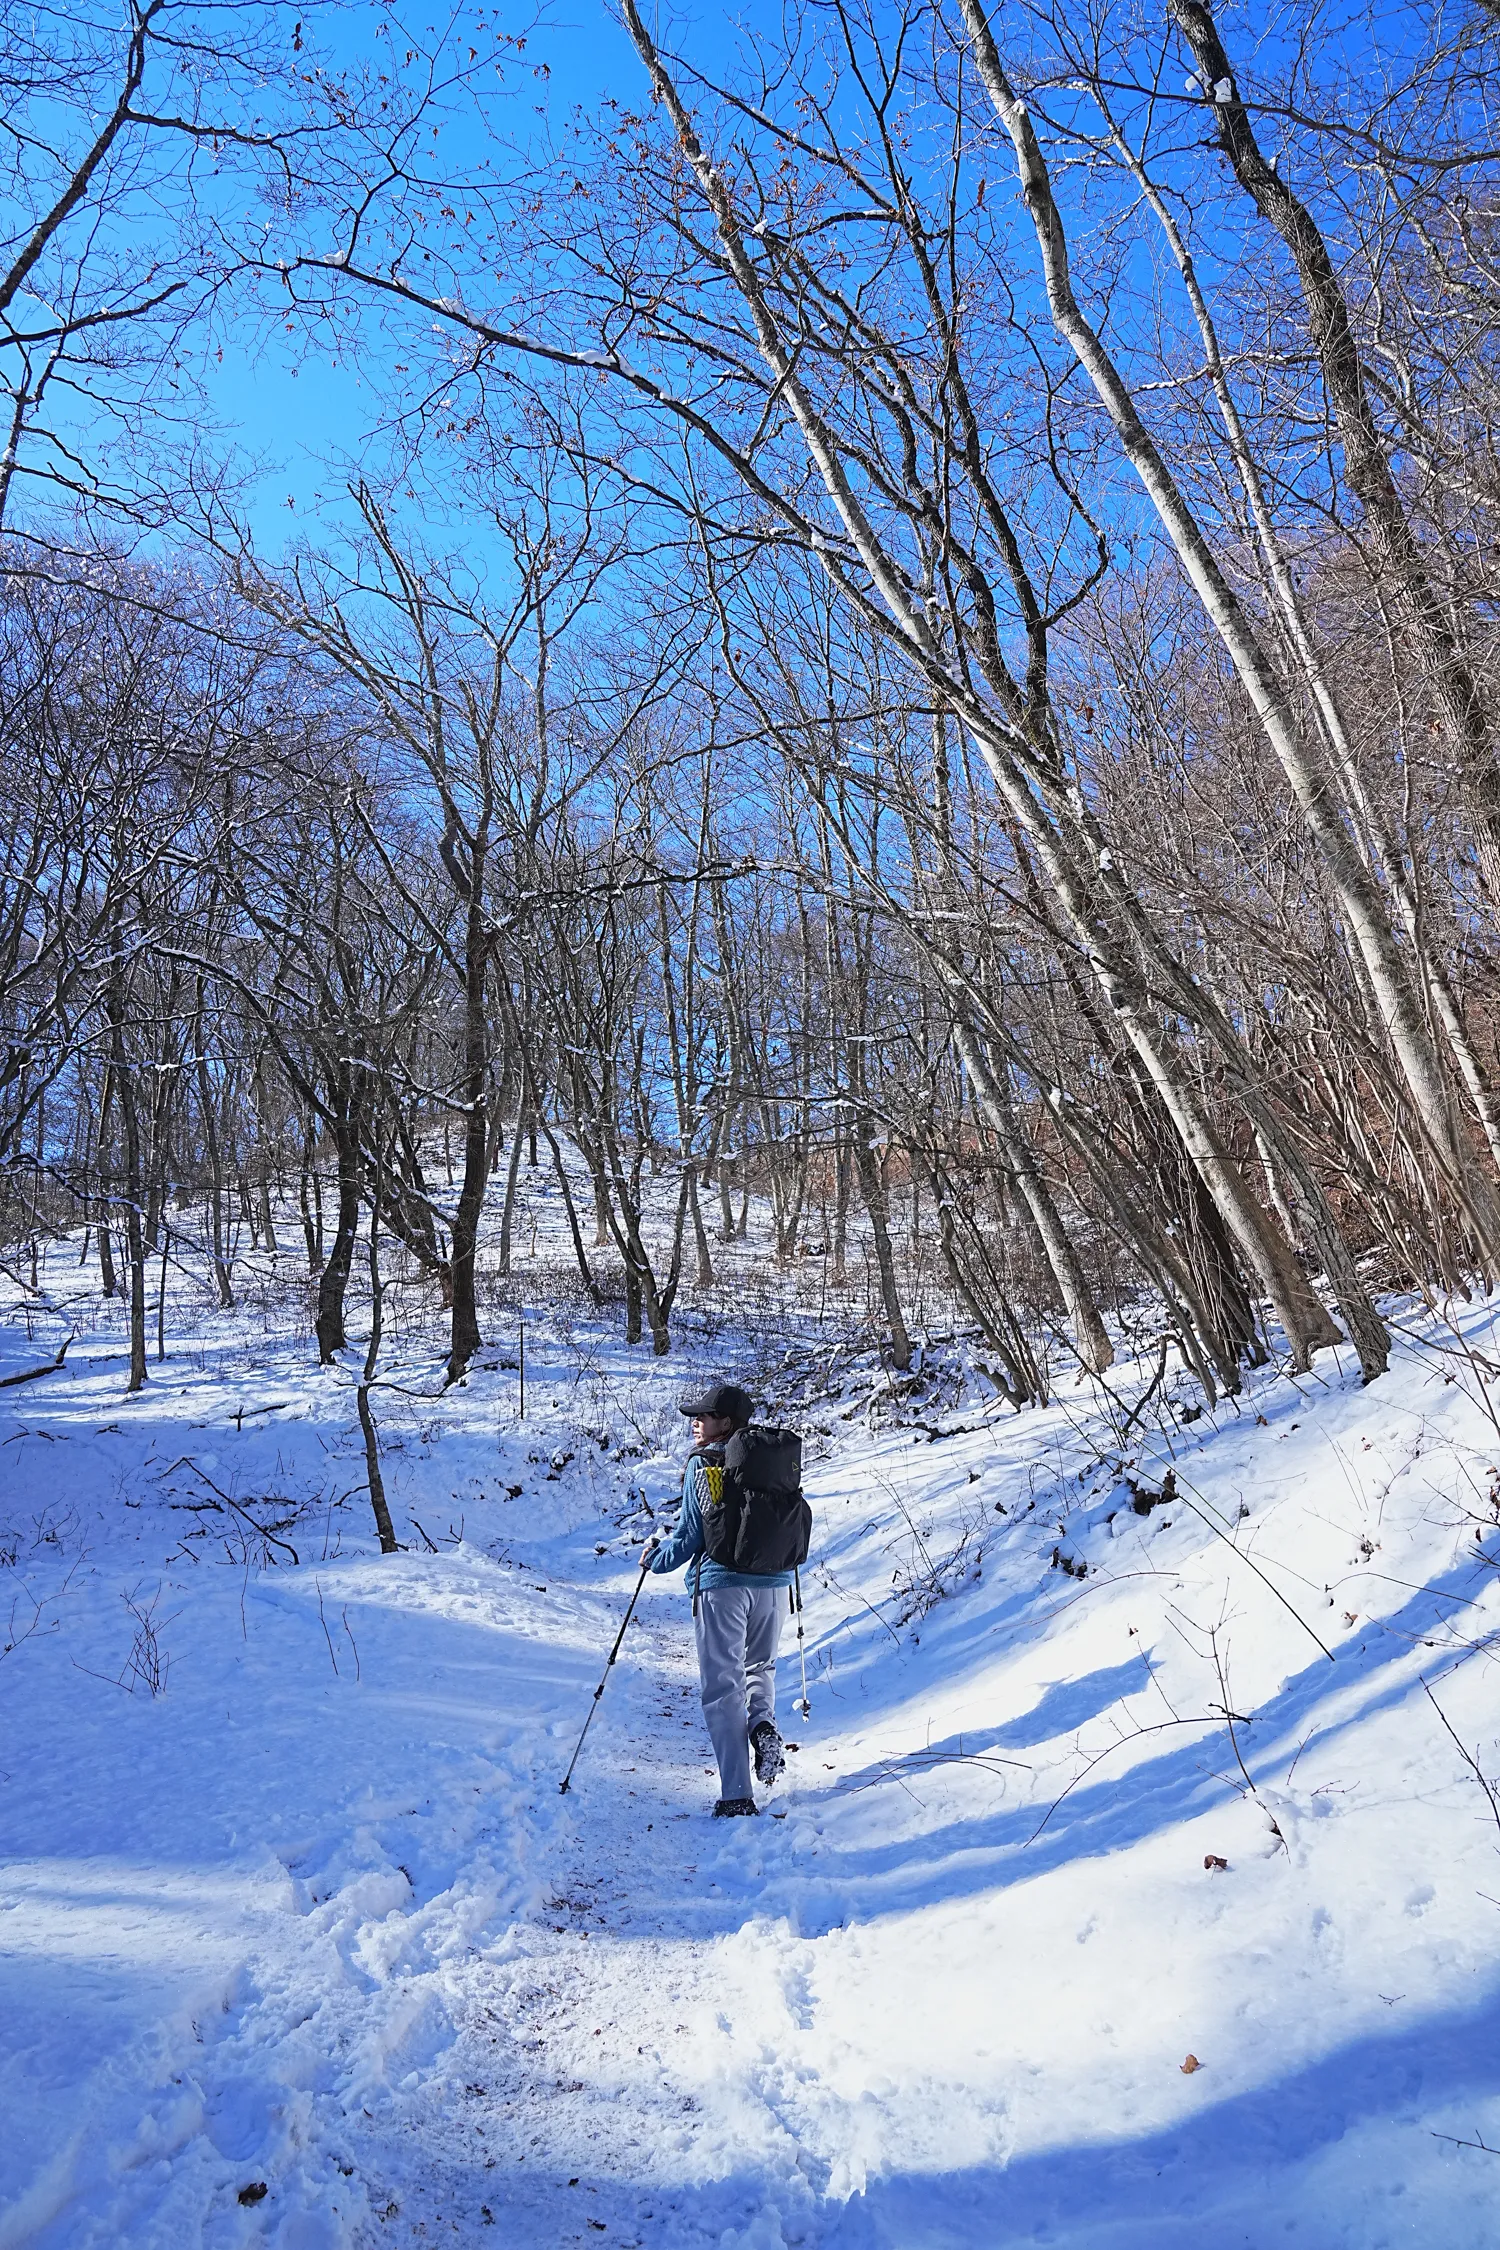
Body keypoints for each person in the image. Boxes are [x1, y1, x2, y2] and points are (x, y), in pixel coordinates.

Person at [642, 1379, 791, 1817]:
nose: (695, 1423)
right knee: (760, 1667)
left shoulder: (705, 1465)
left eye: (703, 1416)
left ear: (725, 1423)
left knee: (723, 1688)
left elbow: (691, 1536)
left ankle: (737, 1795)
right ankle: (763, 1723)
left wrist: (655, 1559)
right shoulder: (769, 1461)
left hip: (723, 1587)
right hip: (774, 1584)